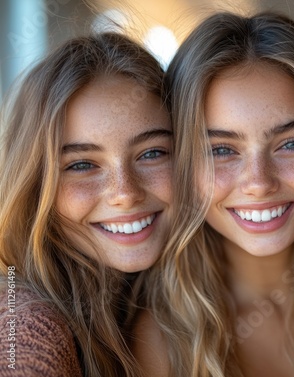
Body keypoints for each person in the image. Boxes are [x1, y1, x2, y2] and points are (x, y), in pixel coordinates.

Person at [132, 11, 294, 377]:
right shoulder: (160, 343)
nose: (259, 182)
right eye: (221, 150)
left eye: (291, 144)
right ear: (181, 161)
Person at [0, 32, 173, 376]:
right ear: (34, 185)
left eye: (151, 153)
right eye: (81, 165)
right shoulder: (24, 318)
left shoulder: (180, 296)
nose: (124, 192)